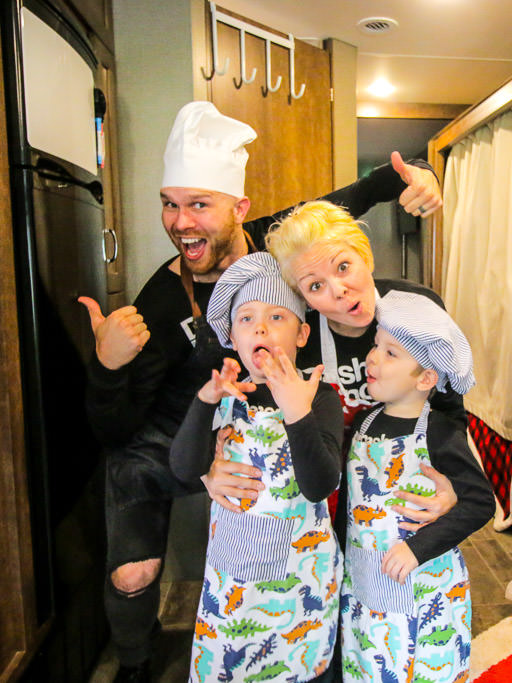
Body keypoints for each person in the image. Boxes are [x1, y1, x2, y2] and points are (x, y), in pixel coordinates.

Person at [78, 101, 443, 681]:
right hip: (180, 430)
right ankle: (136, 662)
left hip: (276, 425)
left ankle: (330, 639)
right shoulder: (161, 299)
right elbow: (116, 431)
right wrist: (107, 365)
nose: (181, 222)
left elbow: (370, 185)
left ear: (239, 209)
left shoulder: (281, 242)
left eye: (199, 204)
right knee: (133, 575)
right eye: (170, 206)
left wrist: (418, 175)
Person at [205, 201, 466, 526]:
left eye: (343, 267)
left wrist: (454, 482)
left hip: (412, 488)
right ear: (303, 299)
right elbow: (231, 401)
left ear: (364, 255)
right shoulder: (297, 339)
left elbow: (450, 412)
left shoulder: (418, 309)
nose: (338, 290)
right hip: (326, 498)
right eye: (315, 286)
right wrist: (210, 469)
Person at [169, 252, 344, 683]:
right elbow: (183, 466)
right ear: (232, 335)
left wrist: (295, 410)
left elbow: (320, 484)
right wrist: (204, 402)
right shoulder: (225, 394)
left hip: (301, 585)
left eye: (277, 316)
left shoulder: (317, 397)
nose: (260, 327)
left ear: (302, 334)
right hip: (233, 584)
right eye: (246, 318)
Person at [338, 289, 493, 683]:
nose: (373, 357)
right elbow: (350, 503)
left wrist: (416, 547)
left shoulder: (439, 432)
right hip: (365, 585)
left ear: (426, 377)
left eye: (391, 353)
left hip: (423, 590)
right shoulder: (363, 423)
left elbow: (478, 503)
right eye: (376, 345)